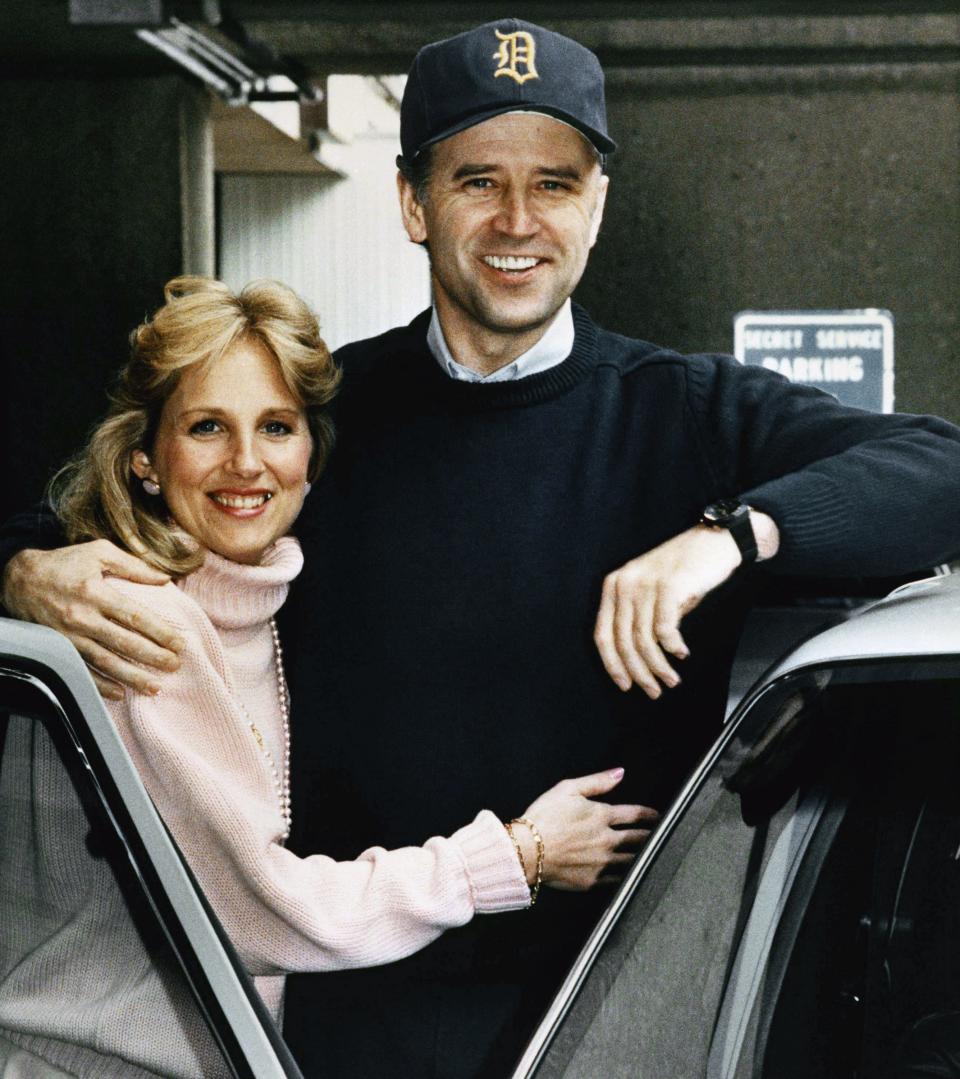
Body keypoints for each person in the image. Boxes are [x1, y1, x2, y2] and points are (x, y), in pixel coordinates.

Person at [4, 16, 960, 1078]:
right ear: (413, 202)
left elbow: (941, 468)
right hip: (350, 1030)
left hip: (627, 1027)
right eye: (477, 180)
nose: (518, 219)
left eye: (554, 182)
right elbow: (97, 505)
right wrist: (24, 572)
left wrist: (727, 535)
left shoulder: (688, 416)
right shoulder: (317, 419)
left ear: (597, 206)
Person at [0, 276, 654, 1078]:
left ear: (310, 453)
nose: (246, 462)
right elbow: (267, 913)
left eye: (275, 426)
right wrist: (521, 853)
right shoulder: (140, 620)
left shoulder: (259, 608)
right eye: (207, 426)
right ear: (144, 460)